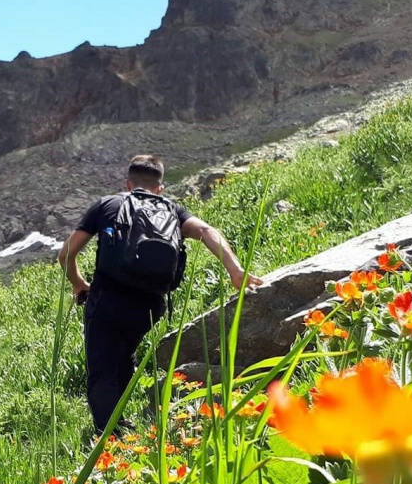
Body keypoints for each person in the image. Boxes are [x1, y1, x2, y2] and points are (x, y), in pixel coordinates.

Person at [60, 154, 262, 435]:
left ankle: (108, 436)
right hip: (151, 306)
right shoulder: (173, 210)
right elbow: (206, 230)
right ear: (160, 188)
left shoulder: (108, 205)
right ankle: (120, 423)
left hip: (108, 299)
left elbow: (67, 252)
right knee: (125, 355)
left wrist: (78, 282)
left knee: (102, 366)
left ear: (128, 184)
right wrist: (236, 271)